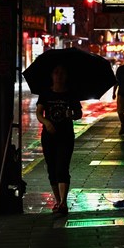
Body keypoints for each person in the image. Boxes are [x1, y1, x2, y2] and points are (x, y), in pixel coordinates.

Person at [36, 64, 83, 215]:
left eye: (62, 73)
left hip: (66, 135)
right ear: (52, 76)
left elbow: (79, 113)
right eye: (56, 72)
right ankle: (57, 201)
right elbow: (38, 113)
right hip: (49, 136)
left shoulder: (71, 94)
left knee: (62, 167)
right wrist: (47, 122)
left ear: (66, 76)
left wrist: (72, 115)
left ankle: (63, 203)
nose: (59, 75)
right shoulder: (45, 93)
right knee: (52, 168)